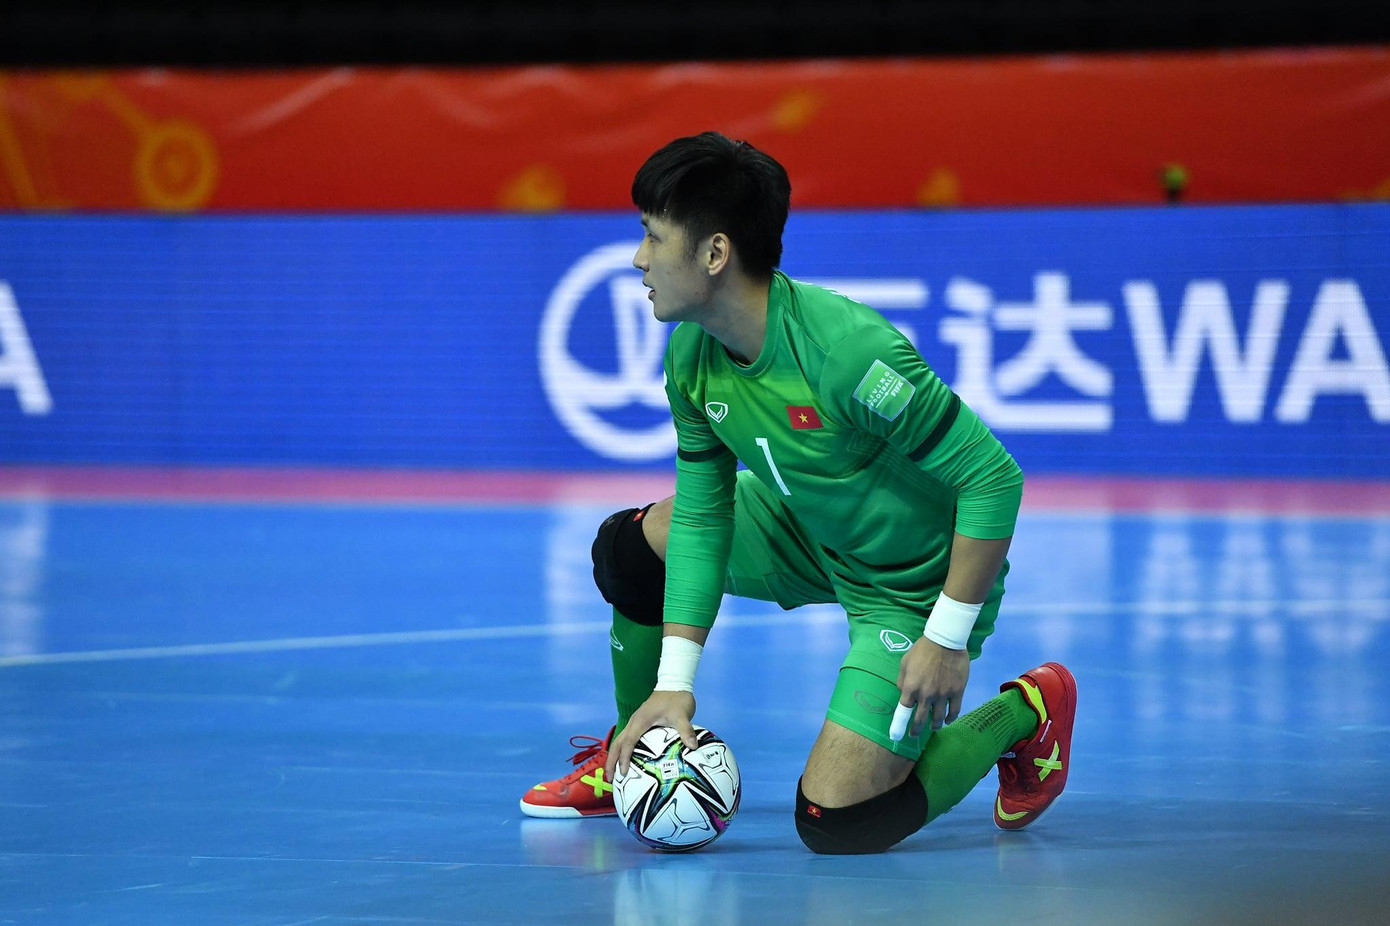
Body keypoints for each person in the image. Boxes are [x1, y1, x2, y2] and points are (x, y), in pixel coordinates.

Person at [519, 131, 1077, 853]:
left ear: (715, 254)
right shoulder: (691, 351)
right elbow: (703, 511)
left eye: (653, 237)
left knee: (839, 823)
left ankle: (1026, 713)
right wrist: (675, 683)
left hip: (911, 583)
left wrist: (946, 636)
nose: (638, 259)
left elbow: (992, 477)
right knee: (631, 547)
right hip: (803, 527)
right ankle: (634, 750)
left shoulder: (846, 353)